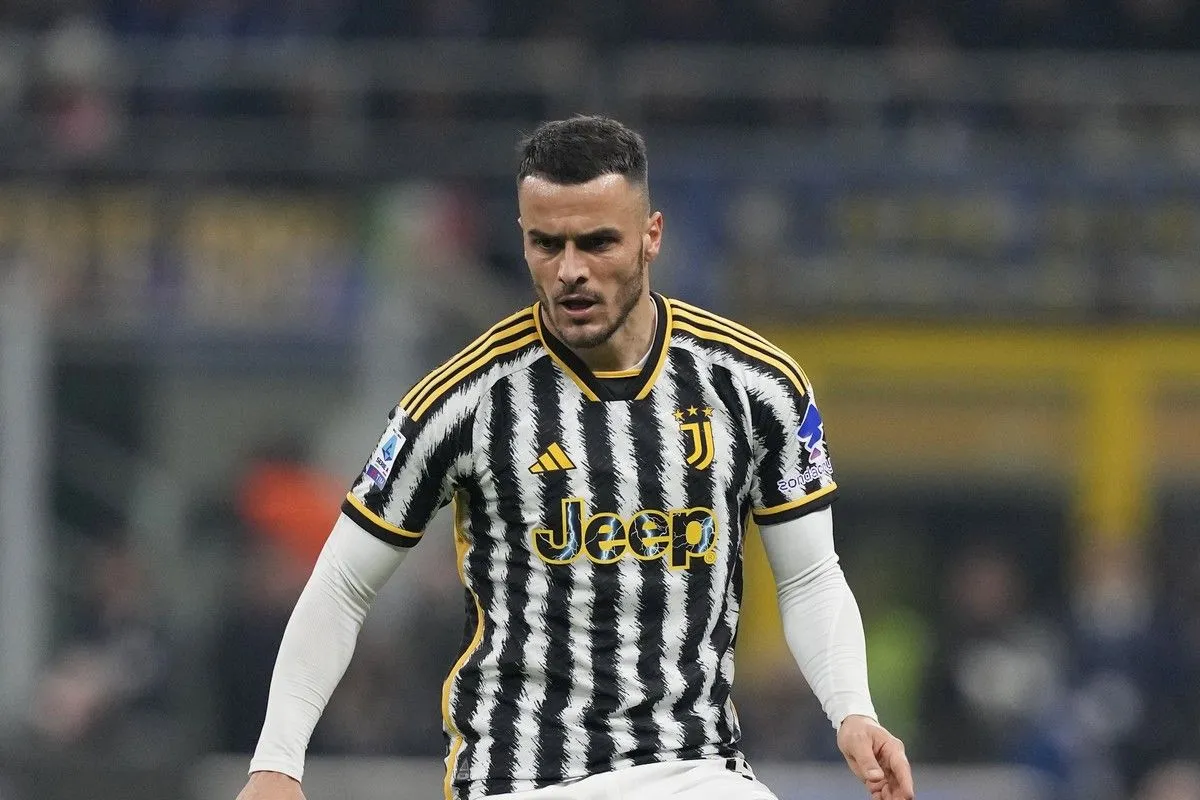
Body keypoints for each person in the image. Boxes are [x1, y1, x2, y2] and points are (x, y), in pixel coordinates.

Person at [235, 115, 914, 800]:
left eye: (597, 242)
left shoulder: (757, 385)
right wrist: (276, 763)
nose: (570, 272)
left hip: (697, 772)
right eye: (546, 243)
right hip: (523, 778)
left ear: (651, 236)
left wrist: (853, 711)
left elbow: (809, 576)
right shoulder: (463, 400)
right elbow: (344, 582)